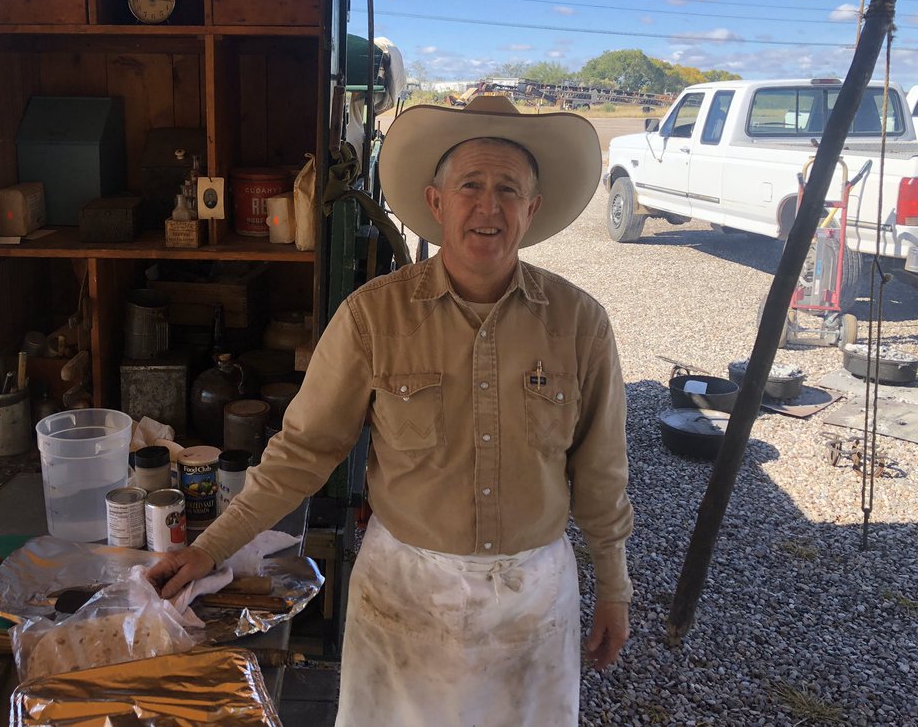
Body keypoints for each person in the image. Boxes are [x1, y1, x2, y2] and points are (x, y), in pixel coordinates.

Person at [148, 95, 633, 726]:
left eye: (508, 190)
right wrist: (209, 549)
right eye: (470, 186)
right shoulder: (372, 317)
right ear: (437, 202)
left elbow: (601, 471)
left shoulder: (580, 324)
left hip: (532, 599)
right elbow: (301, 453)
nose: (488, 207)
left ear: (532, 208)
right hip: (405, 595)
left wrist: (614, 588)